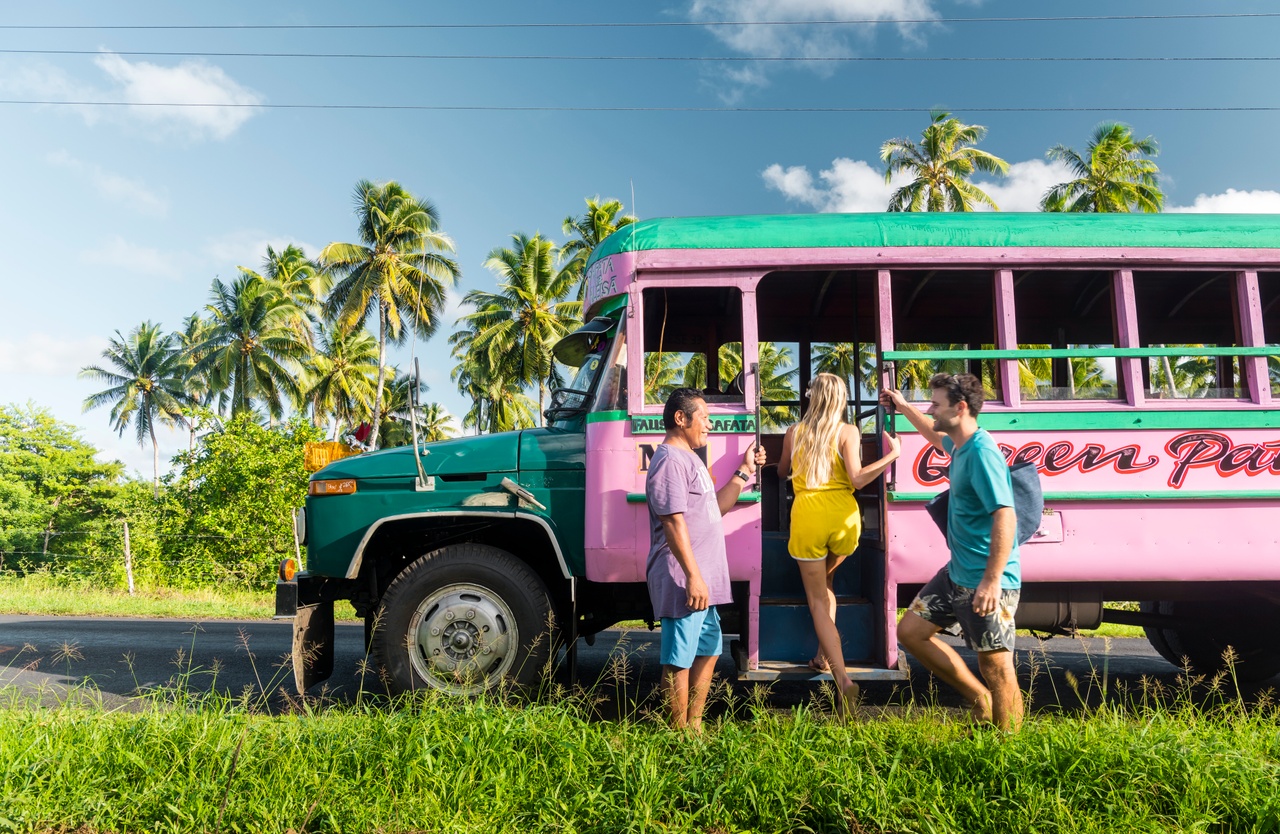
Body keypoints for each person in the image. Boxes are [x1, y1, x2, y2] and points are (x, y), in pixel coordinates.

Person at [881, 373, 1024, 731]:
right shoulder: (961, 445)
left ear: (960, 408)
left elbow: (1005, 515)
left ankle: (1010, 751)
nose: (931, 409)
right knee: (911, 633)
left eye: (936, 404)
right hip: (956, 573)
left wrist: (991, 581)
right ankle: (980, 700)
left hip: (986, 579)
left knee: (997, 666)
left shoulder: (981, 454)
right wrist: (903, 407)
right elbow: (933, 434)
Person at [777, 373, 900, 715]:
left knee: (817, 599)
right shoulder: (848, 431)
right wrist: (893, 455)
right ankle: (820, 655)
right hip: (844, 517)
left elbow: (781, 472)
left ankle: (843, 678)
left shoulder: (794, 432)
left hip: (808, 516)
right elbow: (858, 479)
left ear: (812, 397)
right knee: (827, 582)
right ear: (841, 399)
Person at [646, 387, 766, 731]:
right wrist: (693, 576)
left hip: (704, 578)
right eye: (704, 417)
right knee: (678, 658)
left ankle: (694, 726)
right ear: (680, 419)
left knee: (709, 649)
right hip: (685, 576)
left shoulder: (690, 459)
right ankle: (677, 732)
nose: (710, 425)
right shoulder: (669, 460)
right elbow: (672, 521)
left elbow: (716, 506)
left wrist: (743, 472)